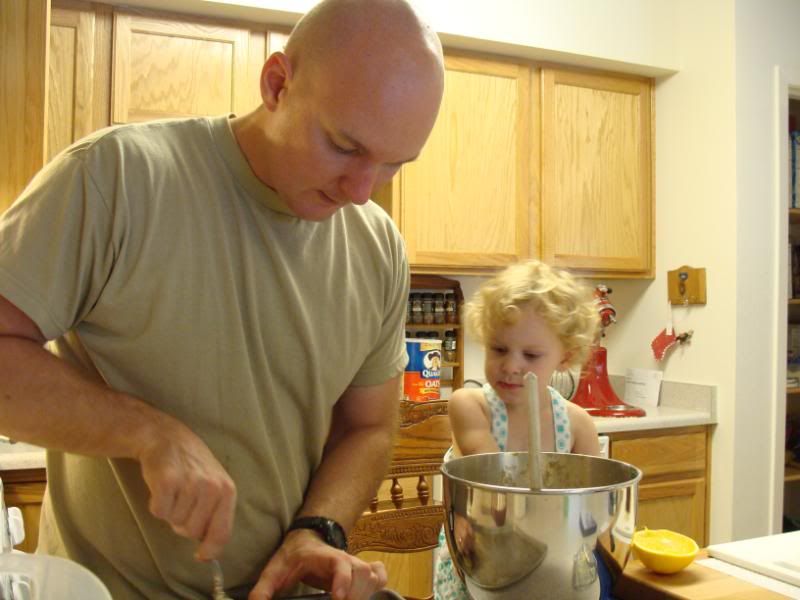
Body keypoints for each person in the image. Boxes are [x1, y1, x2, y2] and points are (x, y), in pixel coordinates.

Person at [0, 0, 444, 598]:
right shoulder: (117, 179)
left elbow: (365, 429)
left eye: (394, 164)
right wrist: (148, 433)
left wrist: (318, 531)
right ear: (278, 84)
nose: (362, 192)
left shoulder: (378, 249)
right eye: (344, 146)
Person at [433, 259, 602, 600]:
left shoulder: (577, 424)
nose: (511, 366)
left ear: (564, 357)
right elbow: (495, 481)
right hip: (479, 564)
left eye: (531, 354)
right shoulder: (471, 406)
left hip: (548, 563)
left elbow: (592, 508)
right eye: (499, 349)